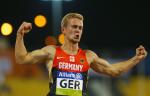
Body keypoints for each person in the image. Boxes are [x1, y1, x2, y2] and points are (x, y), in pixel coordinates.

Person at [15, 13, 147, 96]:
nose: (78, 30)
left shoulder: (88, 56)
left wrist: (136, 59)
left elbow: (114, 71)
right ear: (64, 30)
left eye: (80, 28)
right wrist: (20, 35)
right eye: (74, 27)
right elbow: (22, 58)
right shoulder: (52, 51)